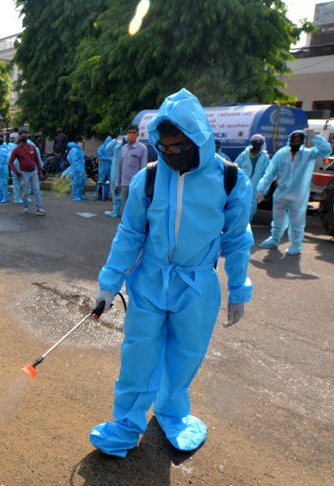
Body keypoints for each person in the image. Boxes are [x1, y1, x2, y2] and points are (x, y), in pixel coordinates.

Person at [89, 88, 253, 458]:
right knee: (138, 355)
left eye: (180, 146)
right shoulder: (148, 179)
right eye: (165, 148)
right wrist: (108, 284)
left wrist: (238, 290)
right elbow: (129, 235)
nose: (172, 154)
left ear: (199, 138)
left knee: (186, 354)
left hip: (197, 286)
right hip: (149, 282)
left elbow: (237, 240)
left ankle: (172, 412)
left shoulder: (229, 178)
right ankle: (126, 424)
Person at [256, 129, 332, 255]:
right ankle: (274, 239)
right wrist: (261, 189)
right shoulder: (281, 154)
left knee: (297, 221)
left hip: (298, 195)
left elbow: (326, 150)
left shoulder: (308, 154)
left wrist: (315, 137)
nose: (296, 141)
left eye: (299, 139)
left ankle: (296, 244)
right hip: (280, 194)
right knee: (277, 219)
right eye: (294, 139)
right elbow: (270, 173)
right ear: (289, 140)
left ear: (303, 141)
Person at [234, 133, 270, 222]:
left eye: (259, 142)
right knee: (238, 205)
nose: (257, 143)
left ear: (262, 143)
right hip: (242, 185)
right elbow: (235, 168)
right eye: (255, 141)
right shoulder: (244, 155)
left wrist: (263, 190)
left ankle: (246, 225)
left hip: (256, 187)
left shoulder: (265, 157)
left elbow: (267, 175)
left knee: (251, 207)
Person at [9, 129, 45, 215]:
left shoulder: (32, 148)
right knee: (25, 192)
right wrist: (16, 172)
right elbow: (10, 162)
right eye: (22, 136)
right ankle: (25, 207)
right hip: (24, 173)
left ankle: (39, 208)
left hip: (34, 172)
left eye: (25, 136)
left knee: (37, 190)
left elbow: (37, 160)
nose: (24, 138)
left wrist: (40, 172)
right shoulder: (16, 150)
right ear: (19, 137)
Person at [116, 124, 147, 215]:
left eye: (133, 132)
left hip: (135, 185)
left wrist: (141, 185)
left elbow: (143, 168)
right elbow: (119, 167)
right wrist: (117, 184)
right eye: (129, 132)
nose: (131, 134)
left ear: (138, 134)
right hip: (124, 184)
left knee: (135, 209)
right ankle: (125, 222)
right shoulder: (123, 149)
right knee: (125, 208)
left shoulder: (142, 148)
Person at [103, 136, 123, 217]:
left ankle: (121, 211)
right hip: (115, 172)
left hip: (125, 173)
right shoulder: (117, 147)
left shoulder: (129, 147)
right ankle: (116, 210)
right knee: (115, 190)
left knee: (123, 193)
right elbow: (107, 149)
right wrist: (115, 140)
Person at [96, 135, 113, 201]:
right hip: (103, 166)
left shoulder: (112, 148)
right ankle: (99, 195)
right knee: (101, 180)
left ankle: (110, 195)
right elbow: (99, 156)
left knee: (112, 180)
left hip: (110, 166)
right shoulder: (102, 147)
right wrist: (108, 158)